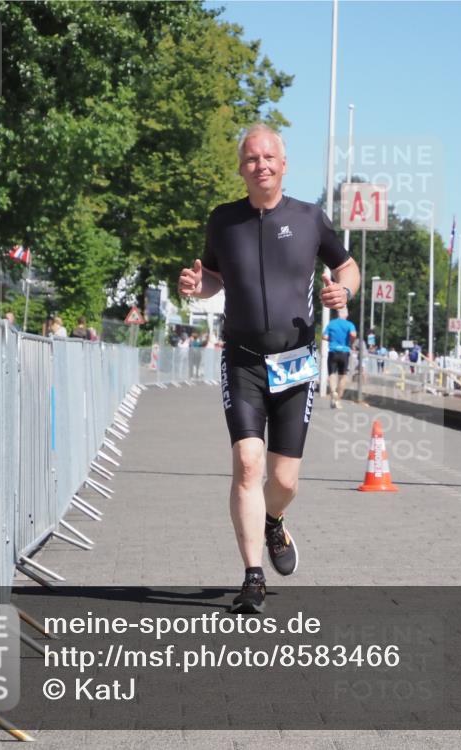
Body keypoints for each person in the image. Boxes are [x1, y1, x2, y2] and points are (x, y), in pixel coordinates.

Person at [178, 123, 360, 614]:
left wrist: (345, 291)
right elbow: (214, 278)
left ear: (283, 164)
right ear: (241, 168)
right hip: (242, 361)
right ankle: (252, 576)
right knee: (247, 465)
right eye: (251, 159)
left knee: (284, 481)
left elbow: (347, 266)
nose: (260, 165)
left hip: (296, 365)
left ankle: (274, 521)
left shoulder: (308, 218)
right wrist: (198, 286)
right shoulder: (223, 221)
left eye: (268, 158)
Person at [322, 306, 356, 409]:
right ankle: (338, 399)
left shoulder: (331, 324)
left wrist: (332, 340)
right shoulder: (349, 324)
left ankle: (333, 392)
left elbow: (324, 336)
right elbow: (353, 334)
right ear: (346, 314)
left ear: (338, 314)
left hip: (333, 352)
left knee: (332, 374)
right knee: (343, 376)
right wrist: (351, 342)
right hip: (344, 352)